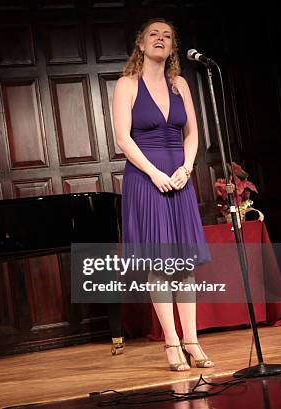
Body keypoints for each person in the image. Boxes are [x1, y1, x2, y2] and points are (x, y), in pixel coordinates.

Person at [112, 18, 213, 371]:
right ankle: (171, 343)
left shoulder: (180, 83)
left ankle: (192, 341)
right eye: (153, 34)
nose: (160, 39)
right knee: (161, 264)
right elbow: (123, 139)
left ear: (172, 47)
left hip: (179, 180)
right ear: (140, 44)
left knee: (184, 264)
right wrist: (154, 174)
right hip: (146, 179)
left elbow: (193, 133)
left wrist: (186, 169)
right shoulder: (127, 84)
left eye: (167, 36)